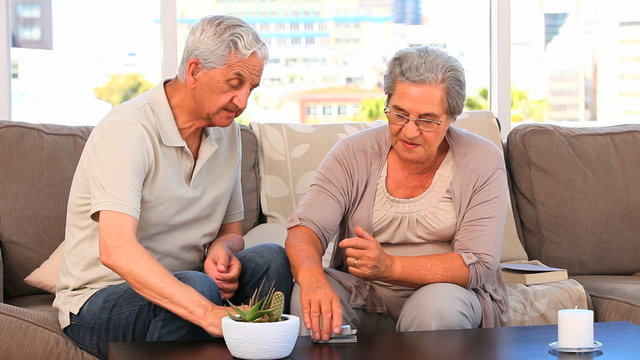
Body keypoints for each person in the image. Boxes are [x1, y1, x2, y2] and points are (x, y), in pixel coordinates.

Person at [53, 15, 292, 359]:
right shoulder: (128, 129)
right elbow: (115, 249)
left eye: (250, 89)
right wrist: (207, 311)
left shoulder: (227, 133)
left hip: (194, 283)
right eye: (233, 83)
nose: (242, 102)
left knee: (272, 258)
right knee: (195, 286)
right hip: (101, 300)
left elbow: (232, 230)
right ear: (194, 71)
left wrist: (221, 251)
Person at [285, 45, 508, 341]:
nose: (409, 131)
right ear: (388, 102)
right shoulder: (353, 153)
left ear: (451, 117)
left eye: (427, 120)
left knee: (435, 308)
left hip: (446, 296)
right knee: (306, 293)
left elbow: (478, 263)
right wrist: (311, 278)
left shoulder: (481, 159)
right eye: (399, 114)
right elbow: (306, 228)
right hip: (363, 295)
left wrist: (389, 266)